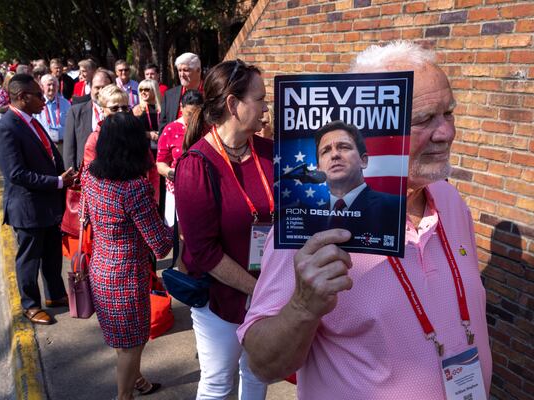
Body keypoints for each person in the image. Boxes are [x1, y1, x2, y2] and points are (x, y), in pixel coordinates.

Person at [238, 41, 493, 400]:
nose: (446, 133)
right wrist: (302, 306)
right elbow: (262, 364)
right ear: (374, 130)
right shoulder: (312, 226)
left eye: (447, 113)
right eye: (424, 120)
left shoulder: (450, 200)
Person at [174, 59, 271, 400]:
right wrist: (255, 289)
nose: (266, 108)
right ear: (233, 104)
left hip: (266, 294)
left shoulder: (269, 152)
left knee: (257, 373)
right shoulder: (196, 166)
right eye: (259, 99)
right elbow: (204, 252)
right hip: (222, 300)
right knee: (218, 383)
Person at [81, 112, 171, 399]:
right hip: (126, 278)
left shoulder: (90, 174)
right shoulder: (134, 188)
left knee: (123, 339)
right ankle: (124, 395)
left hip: (100, 268)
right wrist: (178, 227)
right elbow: (160, 245)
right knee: (133, 342)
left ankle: (139, 380)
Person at [0, 74, 77, 325]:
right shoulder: (6, 128)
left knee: (51, 252)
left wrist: (63, 176)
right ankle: (30, 305)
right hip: (27, 206)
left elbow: (49, 154)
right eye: (38, 95)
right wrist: (58, 182)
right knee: (29, 258)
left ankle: (55, 294)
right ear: (22, 97)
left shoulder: (32, 121)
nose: (44, 99)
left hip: (48, 203)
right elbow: (16, 174)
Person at [309, 120, 403, 251]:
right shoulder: (307, 218)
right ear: (318, 168)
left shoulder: (396, 207)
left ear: (363, 160)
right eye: (326, 151)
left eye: (344, 147)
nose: (335, 155)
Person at [83, 84, 160, 203]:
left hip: (140, 203)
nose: (120, 112)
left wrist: (153, 200)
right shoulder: (95, 139)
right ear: (102, 109)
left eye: (125, 108)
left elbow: (151, 170)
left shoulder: (136, 134)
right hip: (108, 205)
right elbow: (90, 179)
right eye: (114, 108)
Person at [156, 89, 202, 226]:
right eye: (189, 114)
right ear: (181, 108)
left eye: (197, 114)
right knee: (178, 235)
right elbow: (160, 163)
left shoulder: (207, 128)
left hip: (202, 190)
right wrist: (171, 173)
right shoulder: (170, 130)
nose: (193, 118)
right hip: (177, 191)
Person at [63, 68, 114, 170]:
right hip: (85, 171)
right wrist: (71, 172)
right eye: (97, 87)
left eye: (104, 87)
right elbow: (69, 149)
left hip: (113, 171)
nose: (100, 91)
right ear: (91, 88)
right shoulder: (75, 112)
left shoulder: (120, 111)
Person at [159, 52, 203, 133]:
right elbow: (163, 128)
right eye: (179, 70)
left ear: (198, 70)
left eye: (186, 70)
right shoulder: (169, 95)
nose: (181, 74)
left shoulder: (210, 93)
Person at [33, 74, 71, 154]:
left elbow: (71, 124)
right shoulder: (36, 104)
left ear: (57, 87)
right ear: (42, 87)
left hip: (63, 145)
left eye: (54, 85)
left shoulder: (66, 103)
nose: (52, 87)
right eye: (49, 85)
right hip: (44, 146)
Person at [133, 79, 161, 153]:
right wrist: (147, 134)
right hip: (143, 149)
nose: (143, 92)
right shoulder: (136, 110)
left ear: (154, 90)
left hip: (162, 146)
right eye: (141, 90)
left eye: (146, 89)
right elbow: (132, 131)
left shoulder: (164, 108)